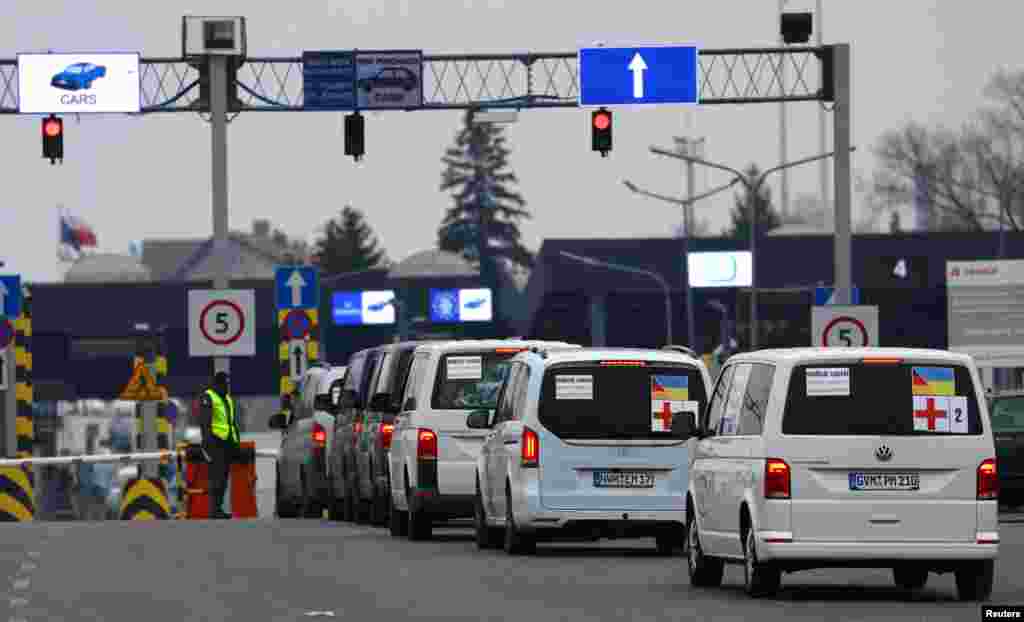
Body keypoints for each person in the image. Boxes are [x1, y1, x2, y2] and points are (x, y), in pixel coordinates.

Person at [198, 371, 241, 519]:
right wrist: (207, 443)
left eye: (228, 383)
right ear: (218, 384)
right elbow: (204, 422)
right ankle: (214, 510)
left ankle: (218, 509)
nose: (227, 386)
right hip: (215, 443)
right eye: (225, 384)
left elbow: (232, 422)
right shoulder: (208, 396)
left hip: (227, 443)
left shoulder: (228, 398)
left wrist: (237, 442)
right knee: (217, 477)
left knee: (223, 477)